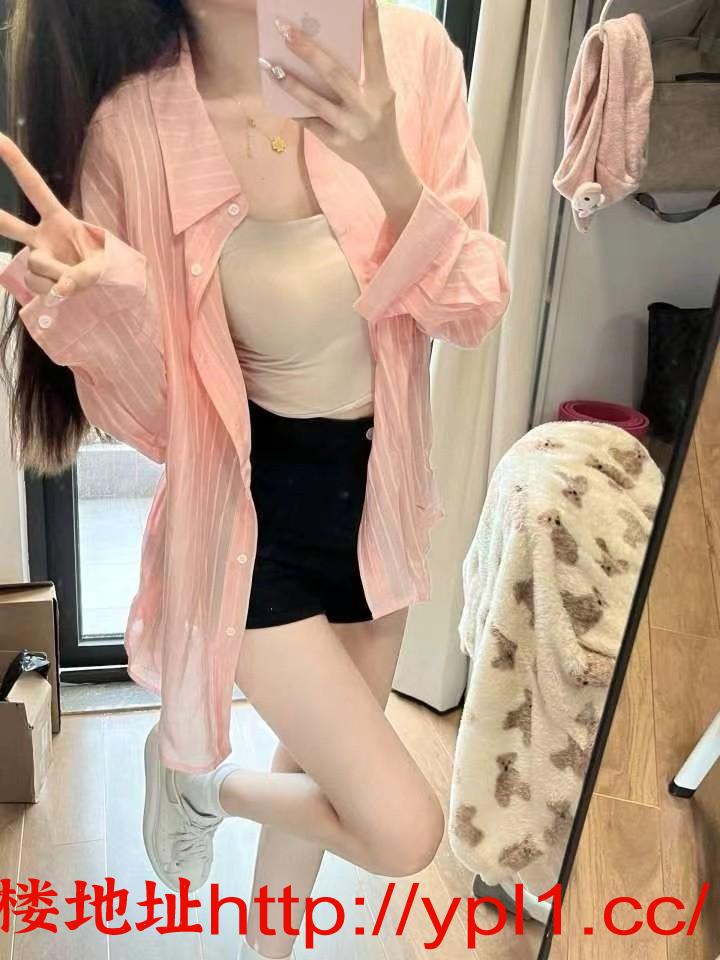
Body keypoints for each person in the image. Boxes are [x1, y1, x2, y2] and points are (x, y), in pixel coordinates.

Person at [0, 1, 510, 957]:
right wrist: (113, 308)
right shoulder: (135, 130)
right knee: (401, 830)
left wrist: (389, 168)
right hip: (244, 517)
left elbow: (473, 309)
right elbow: (160, 425)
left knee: (318, 777)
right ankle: (202, 785)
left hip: (381, 499)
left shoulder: (408, 56)